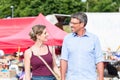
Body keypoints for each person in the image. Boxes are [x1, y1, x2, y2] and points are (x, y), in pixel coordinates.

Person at [60, 12, 104, 80]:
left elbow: (99, 60)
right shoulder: (67, 39)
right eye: (71, 22)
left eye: (74, 23)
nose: (71, 25)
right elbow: (64, 59)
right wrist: (62, 78)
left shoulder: (94, 39)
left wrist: (101, 78)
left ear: (82, 24)